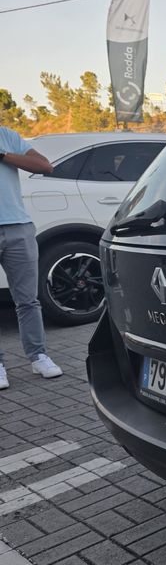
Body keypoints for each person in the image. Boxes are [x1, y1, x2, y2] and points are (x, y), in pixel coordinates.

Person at [0, 125, 62, 389]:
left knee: (28, 300)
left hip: (18, 227)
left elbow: (45, 166)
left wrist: (3, 155)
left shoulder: (8, 136)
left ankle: (38, 356)